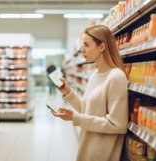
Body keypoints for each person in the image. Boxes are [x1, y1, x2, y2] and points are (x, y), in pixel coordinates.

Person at [51, 25, 128, 161]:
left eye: (86, 45)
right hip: (87, 148)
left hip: (102, 154)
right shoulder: (95, 75)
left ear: (102, 47)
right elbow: (88, 110)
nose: (82, 50)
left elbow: (118, 125)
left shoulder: (116, 77)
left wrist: (76, 118)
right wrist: (70, 94)